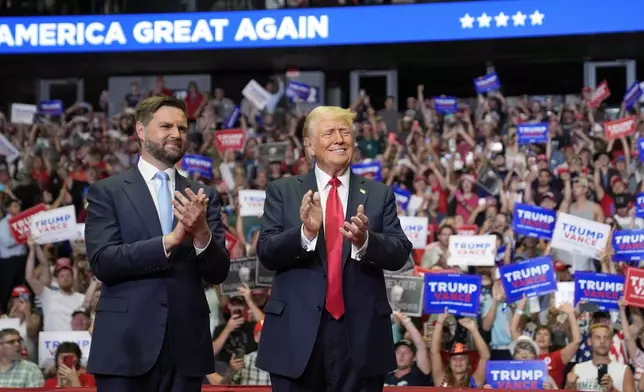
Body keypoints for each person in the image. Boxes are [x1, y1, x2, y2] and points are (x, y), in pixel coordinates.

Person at [256, 106, 413, 392]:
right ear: (309, 145)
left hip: (361, 338)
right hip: (296, 335)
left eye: (345, 132)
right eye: (329, 132)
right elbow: (266, 252)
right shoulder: (284, 191)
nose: (339, 139)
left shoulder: (379, 194)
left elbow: (401, 252)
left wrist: (366, 241)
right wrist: (306, 232)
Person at [84, 96, 230, 392]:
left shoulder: (203, 196)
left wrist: (202, 235)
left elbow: (218, 273)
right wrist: (171, 240)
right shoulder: (106, 192)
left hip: (186, 348)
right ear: (140, 130)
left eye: (182, 128)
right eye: (165, 126)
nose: (176, 134)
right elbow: (103, 260)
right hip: (124, 347)